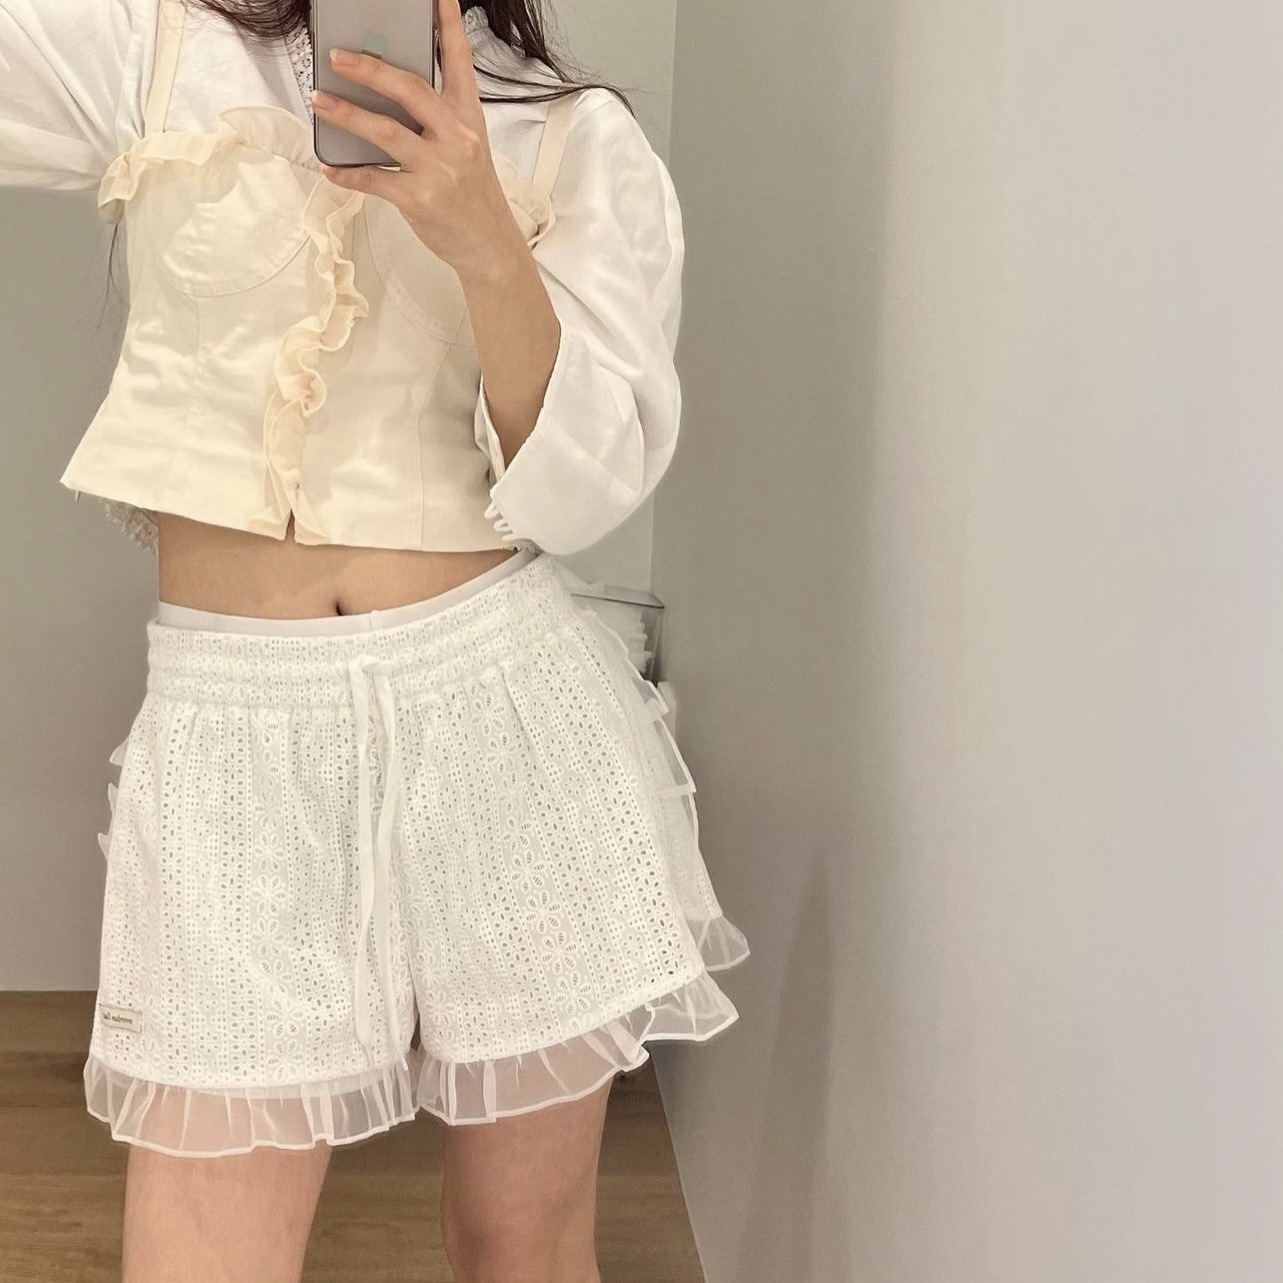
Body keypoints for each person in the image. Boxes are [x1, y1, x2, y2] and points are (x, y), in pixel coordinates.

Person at [0, 0, 750, 1278]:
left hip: (506, 719)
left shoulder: (572, 134)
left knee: (520, 1246)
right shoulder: (155, 53)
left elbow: (586, 491)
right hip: (235, 741)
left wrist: (484, 239)